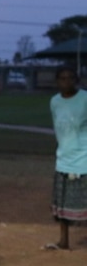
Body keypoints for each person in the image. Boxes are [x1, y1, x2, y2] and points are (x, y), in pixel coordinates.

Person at [44, 65, 87, 250]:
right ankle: (64, 241)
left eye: (70, 77)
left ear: (77, 80)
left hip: (84, 159)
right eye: (62, 78)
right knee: (61, 204)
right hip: (64, 159)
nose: (66, 81)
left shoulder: (85, 98)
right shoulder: (54, 102)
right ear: (57, 81)